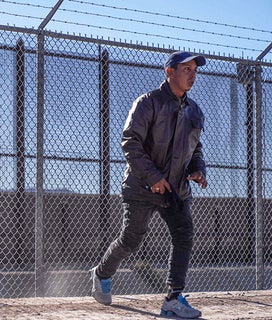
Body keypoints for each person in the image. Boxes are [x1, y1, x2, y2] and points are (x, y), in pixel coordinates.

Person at [90, 51, 208, 319]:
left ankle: (173, 298)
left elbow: (195, 149)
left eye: (195, 70)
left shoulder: (194, 110)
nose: (193, 74)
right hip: (142, 186)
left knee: (184, 236)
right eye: (186, 69)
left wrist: (198, 170)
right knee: (131, 239)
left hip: (176, 189)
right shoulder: (148, 103)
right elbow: (130, 141)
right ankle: (101, 273)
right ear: (170, 72)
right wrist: (153, 177)